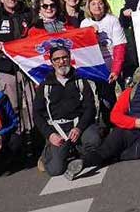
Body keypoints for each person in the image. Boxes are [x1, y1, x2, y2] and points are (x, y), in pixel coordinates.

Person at [30, 45, 101, 177]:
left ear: (69, 58)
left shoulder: (81, 81)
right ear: (51, 62)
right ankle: (47, 154)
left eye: (64, 58)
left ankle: (78, 152)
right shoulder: (45, 86)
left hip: (78, 126)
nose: (61, 62)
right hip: (57, 130)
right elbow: (37, 114)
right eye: (56, 59)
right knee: (55, 170)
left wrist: (79, 128)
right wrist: (50, 135)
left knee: (93, 141)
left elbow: (90, 108)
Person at [81, 0, 127, 83]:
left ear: (105, 5)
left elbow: (120, 46)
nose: (97, 7)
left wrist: (115, 70)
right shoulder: (85, 23)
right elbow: (85, 49)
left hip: (113, 63)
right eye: (93, 4)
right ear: (88, 7)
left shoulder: (112, 20)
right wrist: (91, 33)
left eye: (100, 3)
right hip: (96, 67)